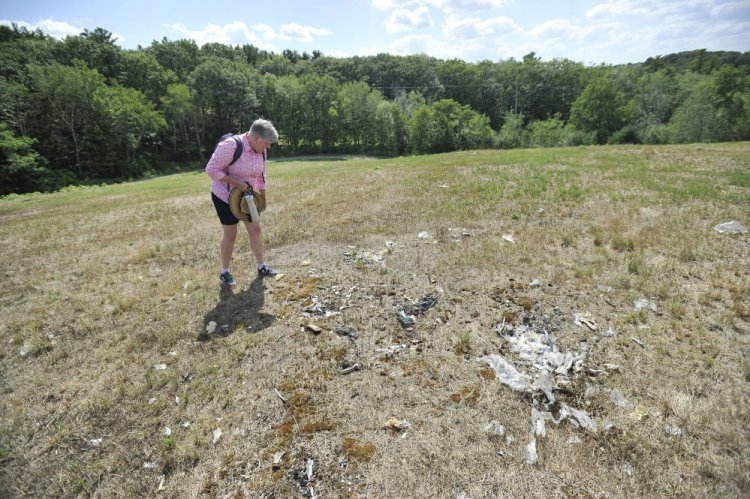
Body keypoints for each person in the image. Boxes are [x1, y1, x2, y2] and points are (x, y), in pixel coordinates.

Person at [206, 119, 279, 286]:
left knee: (256, 229)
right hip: (224, 196)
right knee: (231, 234)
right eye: (267, 143)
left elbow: (261, 175)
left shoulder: (261, 150)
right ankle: (225, 272)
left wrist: (263, 197)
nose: (268, 147)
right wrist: (236, 183)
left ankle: (262, 267)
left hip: (247, 196)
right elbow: (211, 169)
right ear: (256, 138)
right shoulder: (230, 146)